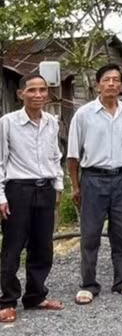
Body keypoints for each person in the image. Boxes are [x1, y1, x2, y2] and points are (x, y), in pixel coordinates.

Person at [67, 63, 122, 304]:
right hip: (93, 179)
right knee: (90, 234)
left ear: (121, 85)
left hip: (121, 178)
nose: (111, 83)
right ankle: (88, 284)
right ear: (98, 84)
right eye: (107, 79)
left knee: (121, 232)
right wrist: (75, 186)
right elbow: (73, 155)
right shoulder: (84, 114)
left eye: (116, 80)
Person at [0, 74, 65, 322]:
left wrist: (58, 186)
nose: (38, 95)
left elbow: (54, 155)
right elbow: (0, 160)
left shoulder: (51, 121)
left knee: (42, 246)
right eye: (32, 91)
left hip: (45, 189)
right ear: (21, 94)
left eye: (42, 90)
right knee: (13, 248)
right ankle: (7, 300)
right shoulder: (7, 123)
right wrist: (1, 197)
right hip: (18, 190)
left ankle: (36, 296)